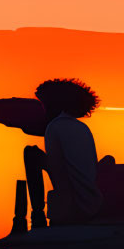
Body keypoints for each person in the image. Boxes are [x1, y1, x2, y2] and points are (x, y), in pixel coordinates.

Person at [26, 77, 102, 228]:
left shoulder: (55, 126)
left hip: (72, 207)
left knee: (30, 153)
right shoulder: (81, 128)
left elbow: (58, 168)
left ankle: (37, 215)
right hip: (92, 204)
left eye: (43, 104)